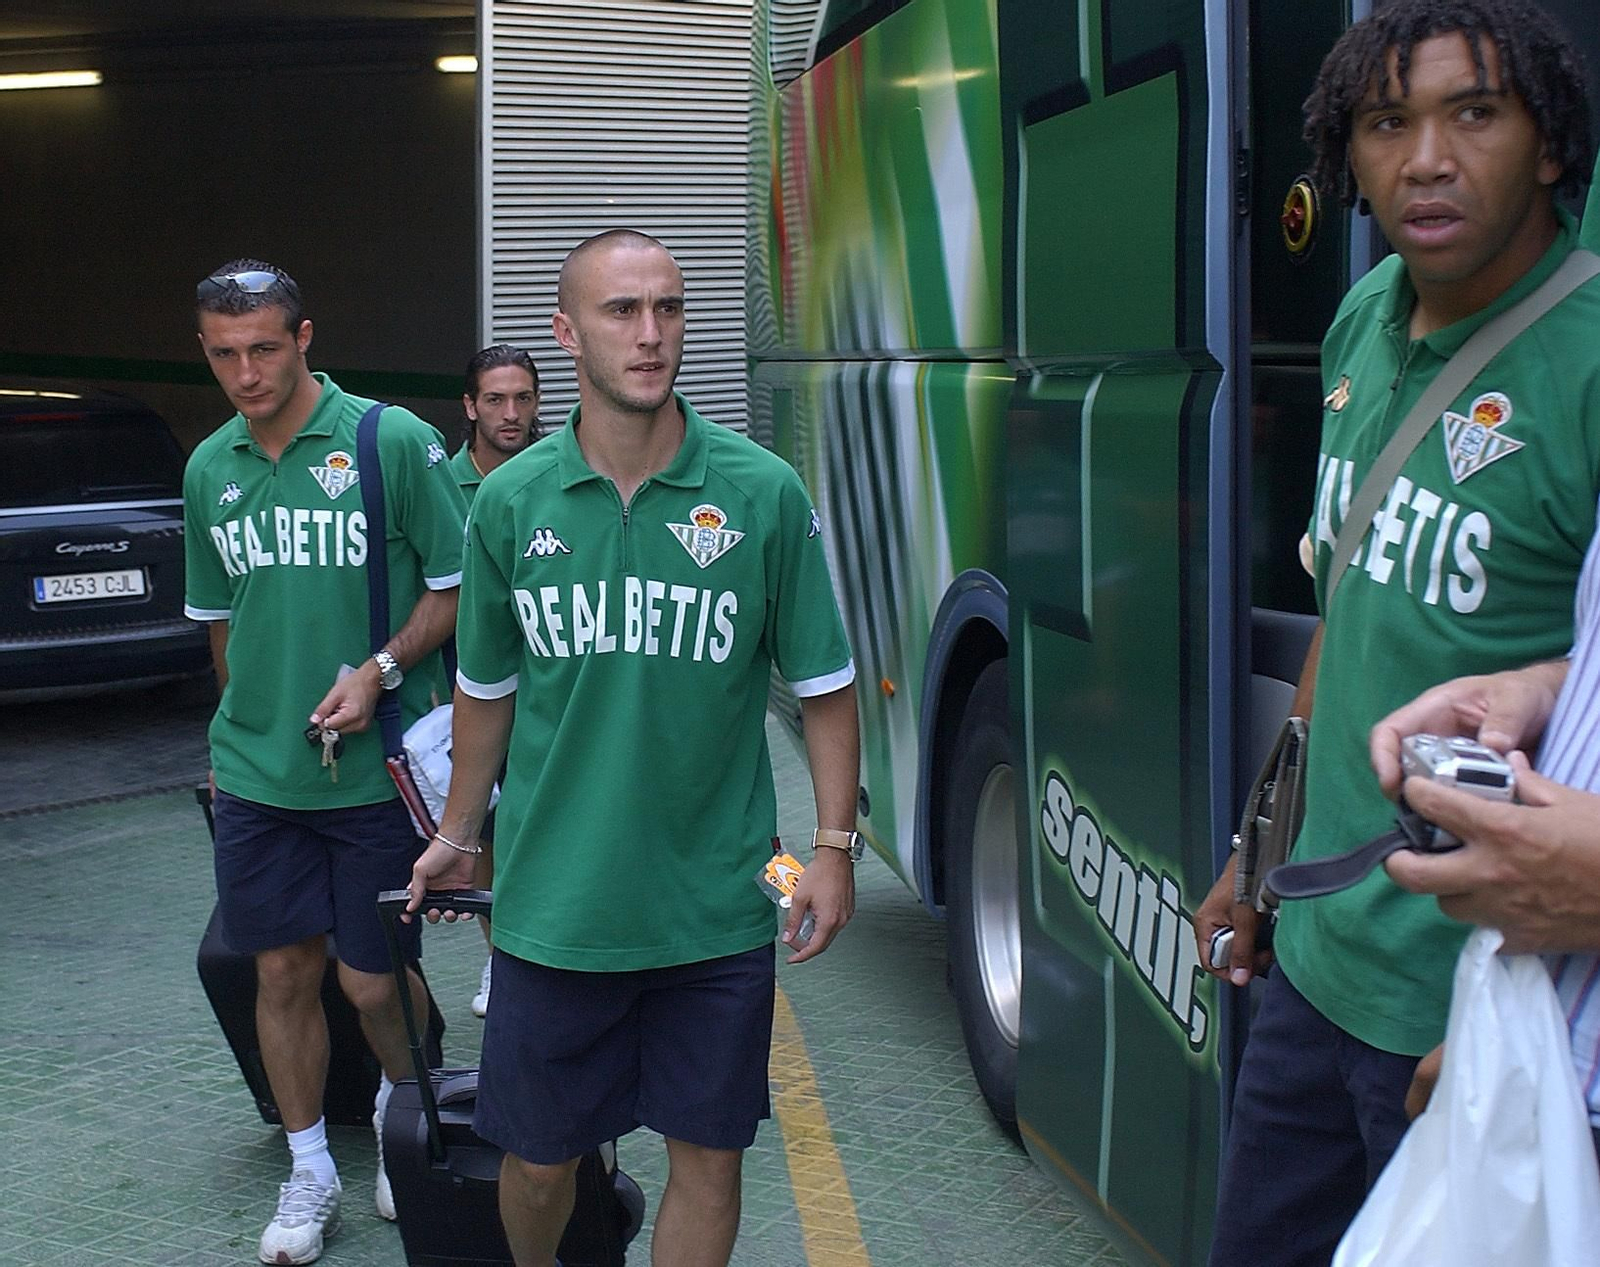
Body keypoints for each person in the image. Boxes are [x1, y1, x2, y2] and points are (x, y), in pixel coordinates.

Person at [1195, 5, 1600, 1263]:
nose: (1426, 157)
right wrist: (1255, 860)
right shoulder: (1363, 317)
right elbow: (1346, 599)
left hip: (1475, 997)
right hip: (1316, 966)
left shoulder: (1587, 357)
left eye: (1473, 114)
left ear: (1545, 144)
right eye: (1387, 123)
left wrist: (1505, 1024)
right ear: (1346, 156)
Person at [406, 228, 861, 1267]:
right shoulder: (511, 504)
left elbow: (827, 690)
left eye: (669, 308)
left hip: (713, 908)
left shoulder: (760, 493)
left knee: (708, 1157)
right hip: (557, 909)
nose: (651, 335)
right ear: (567, 333)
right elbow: (486, 695)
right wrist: (457, 832)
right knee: (535, 1161)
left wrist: (831, 846)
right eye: (622, 311)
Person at [183, 260, 467, 1265]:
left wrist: (379, 670)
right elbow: (223, 630)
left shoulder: (386, 440)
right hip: (261, 777)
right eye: (223, 354)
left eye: (264, 348)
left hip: (369, 774)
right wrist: (240, 736)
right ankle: (307, 1167)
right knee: (278, 969)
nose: (245, 373)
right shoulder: (209, 466)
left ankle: (402, 1114)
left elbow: (454, 587)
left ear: (305, 338)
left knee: (370, 979)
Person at [449, 343, 542, 1018]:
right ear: (470, 406)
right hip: (468, 695)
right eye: (496, 400)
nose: (511, 414)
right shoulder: (439, 486)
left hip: (547, 691)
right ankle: (496, 961)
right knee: (478, 832)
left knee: (533, 827)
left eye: (524, 398)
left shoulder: (558, 476)